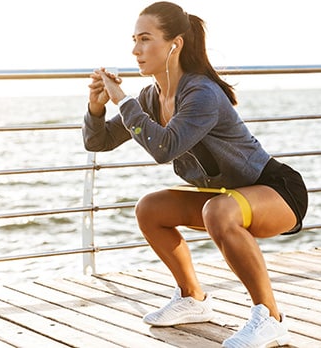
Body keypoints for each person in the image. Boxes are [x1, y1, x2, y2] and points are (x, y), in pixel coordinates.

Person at [83, 2, 308, 347]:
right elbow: (97, 142)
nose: (135, 50)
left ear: (175, 44)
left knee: (218, 211)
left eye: (145, 39)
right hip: (224, 195)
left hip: (277, 191)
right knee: (150, 208)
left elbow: (163, 148)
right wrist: (96, 107)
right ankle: (192, 299)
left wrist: (123, 100)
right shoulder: (151, 97)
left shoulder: (201, 92)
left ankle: (271, 318)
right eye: (134, 40)